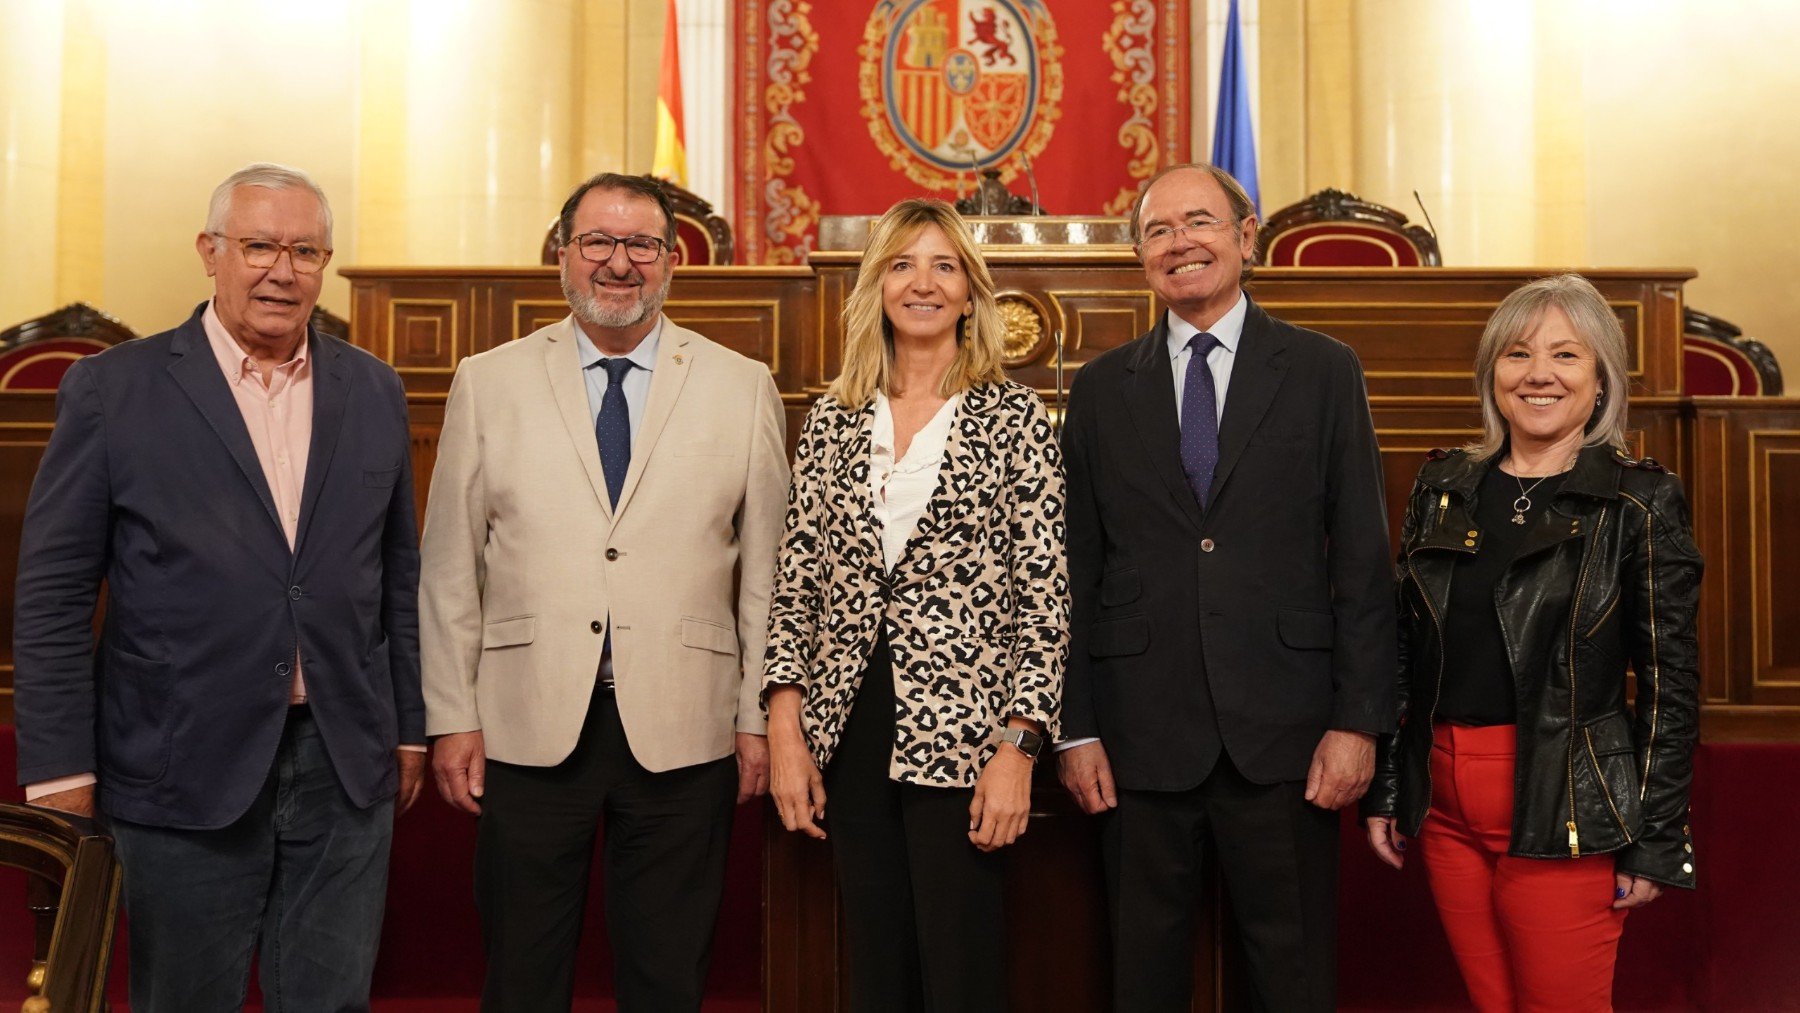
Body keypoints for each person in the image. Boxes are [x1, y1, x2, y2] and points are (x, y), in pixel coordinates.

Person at [12, 162, 424, 1011]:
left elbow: (398, 578)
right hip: (177, 759)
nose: (283, 269)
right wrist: (57, 766)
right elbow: (53, 592)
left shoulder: (374, 388)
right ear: (210, 252)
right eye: (260, 245)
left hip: (343, 760)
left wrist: (410, 728)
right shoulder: (113, 389)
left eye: (305, 250)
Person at [420, 172, 788, 1012]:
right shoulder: (490, 379)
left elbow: (765, 573)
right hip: (524, 721)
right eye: (598, 242)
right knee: (523, 971)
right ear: (563, 254)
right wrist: (452, 714)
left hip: (686, 727)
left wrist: (754, 714)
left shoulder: (741, 384)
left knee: (666, 974)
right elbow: (449, 565)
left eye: (642, 245)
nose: (618, 263)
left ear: (670, 263)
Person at [1056, 162, 1397, 1012]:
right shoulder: (1100, 389)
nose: (1182, 244)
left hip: (1287, 736)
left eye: (1201, 222)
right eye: (1160, 231)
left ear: (1247, 237)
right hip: (1137, 737)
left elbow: (1360, 557)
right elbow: (1076, 569)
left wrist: (1359, 722)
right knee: (1141, 975)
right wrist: (1076, 729)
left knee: (1291, 977)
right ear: (1140, 257)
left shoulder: (1324, 370)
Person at [1363, 273, 1701, 1012]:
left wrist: (1658, 836)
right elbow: (1401, 650)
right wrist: (1391, 783)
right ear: (1492, 374)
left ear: (1603, 377)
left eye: (1566, 355)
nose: (1538, 373)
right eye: (1517, 354)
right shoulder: (1443, 484)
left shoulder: (1639, 501)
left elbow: (1671, 685)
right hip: (1445, 808)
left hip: (1561, 804)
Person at [762, 197, 1068, 1013]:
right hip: (850, 726)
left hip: (967, 738)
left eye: (942, 265)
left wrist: (1019, 749)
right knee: (877, 968)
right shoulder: (831, 419)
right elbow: (797, 588)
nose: (922, 282)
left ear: (971, 290)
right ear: (876, 286)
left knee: (962, 970)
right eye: (901, 264)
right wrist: (785, 730)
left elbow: (1045, 605)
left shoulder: (1015, 422)